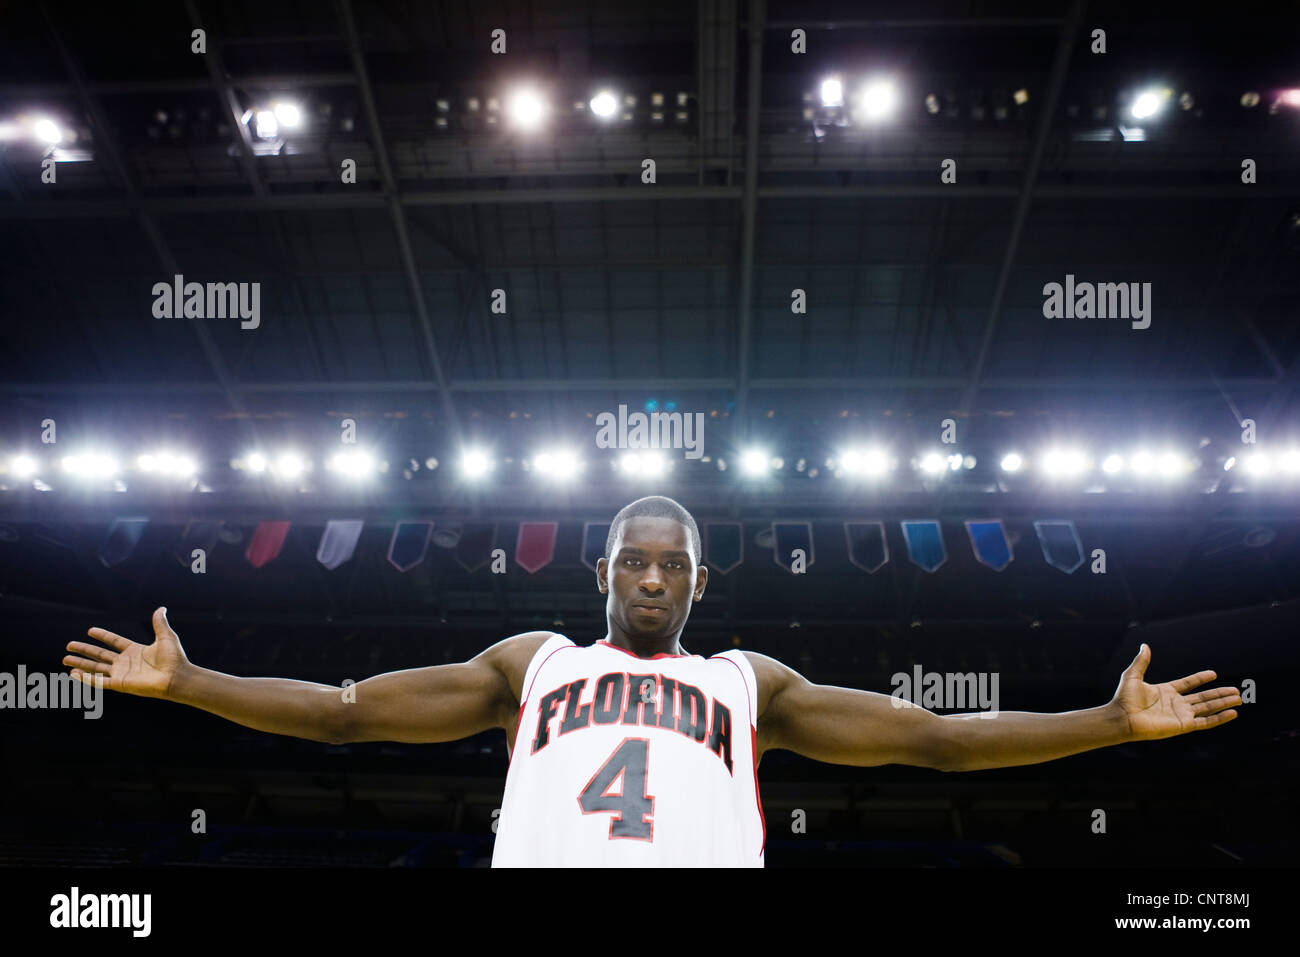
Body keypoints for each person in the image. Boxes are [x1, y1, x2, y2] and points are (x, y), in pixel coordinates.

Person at [63, 495, 1241, 867]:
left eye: (673, 565)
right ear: (603, 569)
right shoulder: (533, 665)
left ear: (700, 584)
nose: (652, 577)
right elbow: (343, 712)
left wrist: (1104, 721)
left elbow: (934, 742)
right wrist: (193, 681)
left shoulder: (750, 683)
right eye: (634, 558)